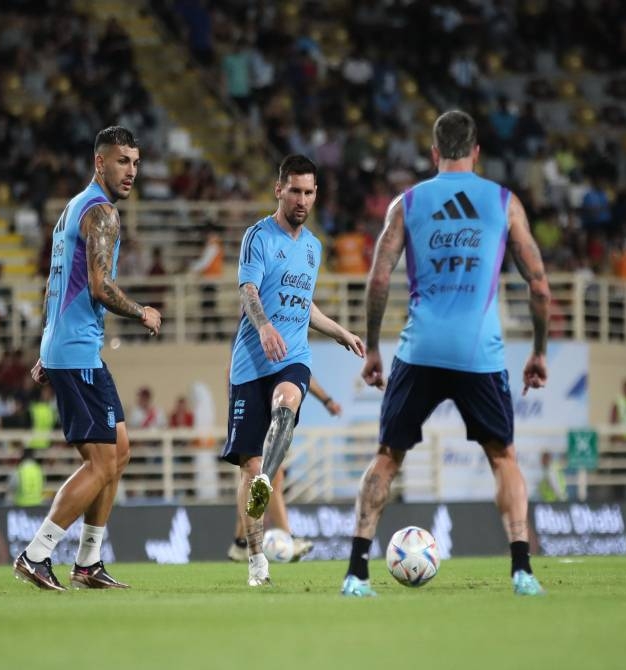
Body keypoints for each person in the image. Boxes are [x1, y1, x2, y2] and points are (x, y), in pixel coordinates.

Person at [341, 110, 551, 597]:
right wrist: (538, 351)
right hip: (480, 351)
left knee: (387, 457)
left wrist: (372, 347)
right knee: (504, 457)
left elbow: (377, 280)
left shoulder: (408, 202)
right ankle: (522, 570)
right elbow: (538, 285)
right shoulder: (503, 202)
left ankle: (355, 572)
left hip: (421, 348)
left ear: (434, 153)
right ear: (476, 151)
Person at [14, 126, 162, 591]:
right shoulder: (101, 213)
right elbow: (98, 287)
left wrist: (45, 346)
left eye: (136, 163)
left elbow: (55, 283)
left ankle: (88, 563)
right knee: (100, 464)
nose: (131, 171)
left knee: (119, 451)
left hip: (74, 347)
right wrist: (142, 311)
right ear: (100, 163)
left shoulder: (73, 210)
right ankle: (36, 554)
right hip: (77, 350)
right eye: (122, 161)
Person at [219, 154, 364, 587]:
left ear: (316, 194)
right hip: (249, 363)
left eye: (309, 192)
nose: (302, 200)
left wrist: (338, 331)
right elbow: (248, 289)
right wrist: (263, 326)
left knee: (287, 404)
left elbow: (304, 306)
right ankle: (257, 560)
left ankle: (267, 478)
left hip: (292, 357)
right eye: (295, 191)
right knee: (247, 466)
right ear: (278, 190)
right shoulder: (258, 237)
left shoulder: (314, 247)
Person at [227, 376, 343, 562]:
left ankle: (241, 542)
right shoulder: (247, 352)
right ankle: (270, 538)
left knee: (268, 476)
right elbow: (231, 368)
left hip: (269, 405)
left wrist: (326, 400)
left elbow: (301, 371)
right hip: (253, 401)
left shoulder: (290, 357)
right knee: (263, 475)